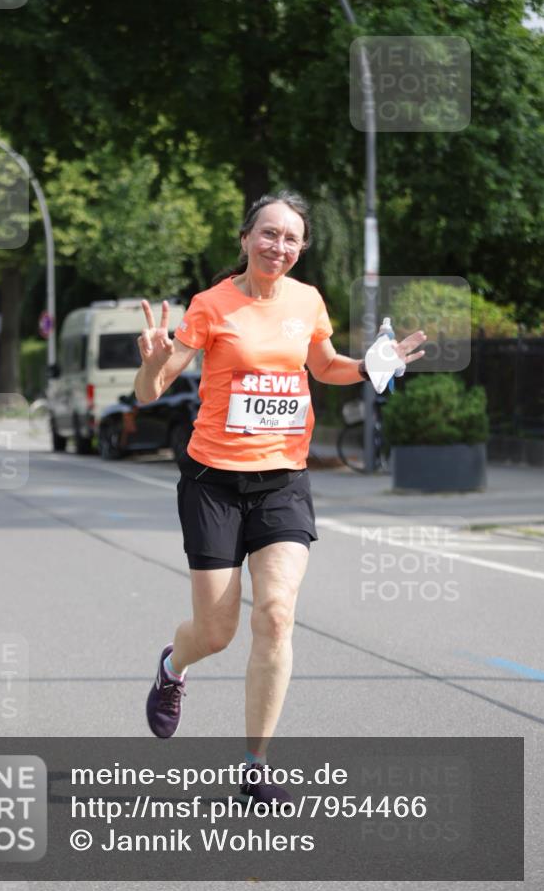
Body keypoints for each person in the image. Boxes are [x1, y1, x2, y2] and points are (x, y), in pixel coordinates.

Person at [136, 191, 426, 806]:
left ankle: (254, 764)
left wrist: (375, 364)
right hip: (213, 482)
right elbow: (149, 391)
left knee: (275, 615)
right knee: (215, 632)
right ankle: (172, 666)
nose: (280, 247)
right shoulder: (210, 305)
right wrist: (154, 364)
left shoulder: (308, 301)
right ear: (246, 239)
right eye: (269, 234)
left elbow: (325, 367)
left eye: (292, 239)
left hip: (283, 482)